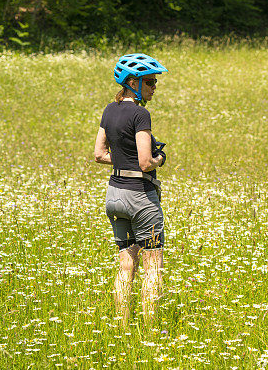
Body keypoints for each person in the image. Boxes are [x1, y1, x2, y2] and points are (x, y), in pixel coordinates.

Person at [93, 53, 168, 329]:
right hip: (140, 197)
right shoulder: (140, 114)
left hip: (114, 196)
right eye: (149, 82)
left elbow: (100, 154)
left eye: (155, 82)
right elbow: (146, 162)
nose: (154, 87)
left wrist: (125, 159)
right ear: (133, 83)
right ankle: (149, 330)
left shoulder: (108, 110)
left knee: (126, 264)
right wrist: (159, 159)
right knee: (152, 266)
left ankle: (122, 326)